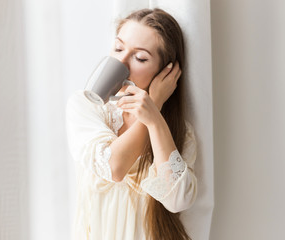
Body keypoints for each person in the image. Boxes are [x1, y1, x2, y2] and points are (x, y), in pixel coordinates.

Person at [66, 8, 197, 240]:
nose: (122, 62)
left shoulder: (177, 131)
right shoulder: (86, 106)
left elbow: (179, 200)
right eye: (118, 48)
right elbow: (114, 167)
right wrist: (154, 102)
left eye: (140, 58)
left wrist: (154, 120)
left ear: (165, 72)